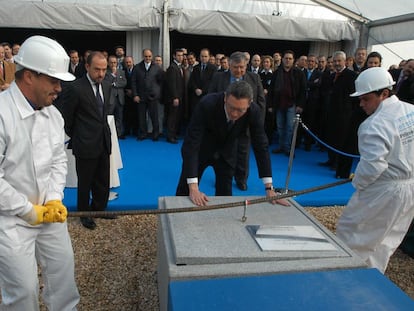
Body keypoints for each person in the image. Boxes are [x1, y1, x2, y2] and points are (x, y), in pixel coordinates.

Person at [0, 35, 79, 309]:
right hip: (10, 221)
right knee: (22, 292)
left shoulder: (53, 115)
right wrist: (26, 210)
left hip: (49, 213)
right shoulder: (2, 113)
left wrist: (54, 198)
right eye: (53, 80)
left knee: (64, 282)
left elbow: (59, 161)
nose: (59, 88)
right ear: (30, 76)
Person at [336, 67, 414, 273]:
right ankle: (372, 280)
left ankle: (347, 279)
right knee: (386, 240)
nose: (361, 104)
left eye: (366, 99)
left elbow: (373, 166)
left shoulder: (374, 125)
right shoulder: (411, 110)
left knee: (353, 235)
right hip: (409, 187)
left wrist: (358, 183)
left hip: (384, 190)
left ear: (384, 93)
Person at [176, 81, 289, 207]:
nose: (234, 114)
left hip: (227, 152)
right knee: (185, 193)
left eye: (240, 110)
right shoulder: (206, 104)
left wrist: (269, 188)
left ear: (249, 103)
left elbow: (261, 145)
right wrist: (193, 188)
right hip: (201, 150)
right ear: (225, 98)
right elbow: (191, 144)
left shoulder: (254, 111)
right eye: (231, 108)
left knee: (225, 197)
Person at [62, 51, 113, 230]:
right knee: (85, 181)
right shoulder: (75, 88)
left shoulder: (106, 84)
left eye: (104, 69)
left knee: (103, 179)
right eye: (97, 69)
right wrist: (78, 135)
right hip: (84, 143)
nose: (101, 73)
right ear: (87, 67)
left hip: (103, 140)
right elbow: (66, 117)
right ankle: (84, 213)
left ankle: (100, 209)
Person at [208, 51, 265, 191]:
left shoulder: (254, 78)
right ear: (230, 65)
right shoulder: (219, 77)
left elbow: (260, 101)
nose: (239, 70)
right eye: (235, 67)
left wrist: (258, 123)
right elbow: (210, 98)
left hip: (245, 124)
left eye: (242, 67)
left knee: (243, 153)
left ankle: (241, 179)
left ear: (246, 66)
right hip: (223, 123)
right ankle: (221, 178)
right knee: (222, 152)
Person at [268, 50, 306, 156]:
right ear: (282, 59)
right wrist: (270, 105)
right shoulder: (276, 73)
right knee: (280, 127)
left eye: (290, 58)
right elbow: (271, 90)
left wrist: (300, 105)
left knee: (290, 127)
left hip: (292, 104)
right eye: (286, 58)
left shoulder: (299, 73)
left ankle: (288, 148)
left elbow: (303, 90)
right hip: (278, 104)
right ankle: (281, 146)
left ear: (293, 60)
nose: (288, 60)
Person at [131, 48, 164, 141]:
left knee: (154, 116)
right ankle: (143, 134)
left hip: (153, 96)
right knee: (141, 117)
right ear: (143, 56)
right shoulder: (137, 67)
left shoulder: (157, 68)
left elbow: (161, 82)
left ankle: (156, 134)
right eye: (146, 56)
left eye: (149, 56)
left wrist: (157, 93)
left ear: (152, 56)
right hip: (141, 96)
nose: (148, 58)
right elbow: (133, 82)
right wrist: (135, 95)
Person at [105, 55, 127, 138]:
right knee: (109, 116)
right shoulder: (105, 72)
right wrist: (113, 75)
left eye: (115, 62)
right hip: (110, 98)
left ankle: (119, 133)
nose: (113, 64)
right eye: (111, 62)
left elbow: (124, 83)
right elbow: (106, 83)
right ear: (108, 63)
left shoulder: (121, 72)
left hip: (120, 98)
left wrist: (115, 84)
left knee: (119, 117)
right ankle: (109, 133)